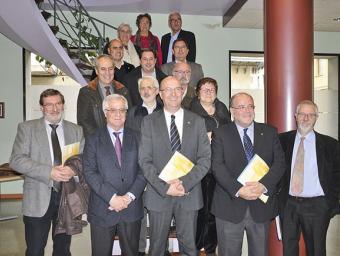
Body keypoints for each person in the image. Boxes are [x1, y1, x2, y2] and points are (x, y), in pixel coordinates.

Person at [139, 76, 211, 256]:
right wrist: (165, 187)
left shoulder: (197, 121)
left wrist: (184, 183)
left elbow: (205, 160)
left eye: (177, 89)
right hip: (158, 194)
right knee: (156, 248)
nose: (173, 93)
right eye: (167, 90)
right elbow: (144, 161)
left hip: (189, 193)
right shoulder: (148, 122)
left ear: (183, 91)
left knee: (189, 248)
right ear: (160, 95)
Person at [9, 89, 84, 256]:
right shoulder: (27, 128)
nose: (54, 108)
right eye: (49, 105)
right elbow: (16, 160)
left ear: (63, 105)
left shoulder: (76, 130)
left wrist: (73, 169)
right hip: (38, 198)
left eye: (58, 103)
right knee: (35, 250)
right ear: (42, 108)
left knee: (63, 250)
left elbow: (83, 159)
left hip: (67, 198)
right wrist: (49, 172)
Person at [211, 92, 285, 256]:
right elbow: (217, 166)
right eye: (241, 107)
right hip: (229, 206)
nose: (247, 110)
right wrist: (239, 189)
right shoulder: (221, 133)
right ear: (232, 110)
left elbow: (279, 164)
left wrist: (263, 185)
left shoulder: (270, 131)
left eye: (250, 106)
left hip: (260, 207)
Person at [83, 94, 146, 256]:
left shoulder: (138, 137)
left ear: (126, 113)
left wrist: (128, 197)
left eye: (122, 110)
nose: (118, 114)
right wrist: (112, 198)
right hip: (103, 208)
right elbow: (90, 172)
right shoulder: (93, 139)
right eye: (113, 110)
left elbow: (144, 170)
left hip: (131, 207)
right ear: (105, 113)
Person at [278, 100, 340, 256]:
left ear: (316, 117)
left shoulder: (330, 144)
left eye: (310, 115)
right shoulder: (281, 140)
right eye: (302, 114)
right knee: (289, 249)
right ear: (295, 116)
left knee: (317, 251)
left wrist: (330, 202)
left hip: (317, 206)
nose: (306, 118)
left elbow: (337, 174)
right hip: (288, 204)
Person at [189, 77, 231, 255]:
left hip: (221, 166)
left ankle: (212, 247)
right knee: (200, 210)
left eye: (212, 88)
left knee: (216, 210)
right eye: (204, 88)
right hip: (199, 167)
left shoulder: (223, 110)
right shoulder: (190, 111)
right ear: (197, 92)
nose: (208, 91)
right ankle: (197, 246)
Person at [125, 76, 162, 256]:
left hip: (161, 171)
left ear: (157, 91)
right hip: (138, 169)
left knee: (159, 214)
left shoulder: (166, 111)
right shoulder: (131, 113)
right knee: (139, 212)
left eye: (150, 88)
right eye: (142, 88)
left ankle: (160, 249)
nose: (146, 91)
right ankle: (139, 250)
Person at [77, 54, 132, 137]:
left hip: (121, 140)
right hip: (97, 142)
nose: (107, 73)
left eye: (110, 69)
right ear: (96, 70)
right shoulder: (86, 93)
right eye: (103, 69)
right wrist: (102, 139)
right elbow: (84, 122)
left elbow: (129, 117)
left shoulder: (123, 91)